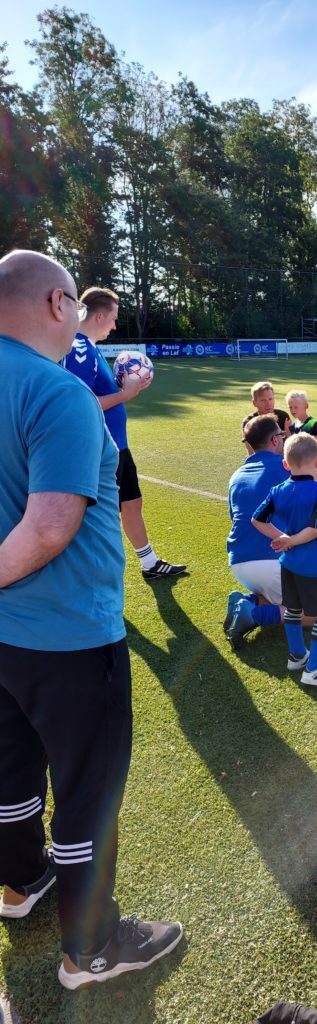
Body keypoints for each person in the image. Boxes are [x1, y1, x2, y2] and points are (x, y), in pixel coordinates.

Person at [0, 249, 182, 990]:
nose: (78, 316)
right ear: (54, 303)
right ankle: (92, 948)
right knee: (88, 791)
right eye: (75, 301)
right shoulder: (58, 391)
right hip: (69, 634)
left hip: (7, 641)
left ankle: (19, 886)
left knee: (9, 770)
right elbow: (49, 528)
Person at [63, 287, 186, 580]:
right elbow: (81, 404)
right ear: (101, 315)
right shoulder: (79, 349)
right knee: (98, 518)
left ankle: (149, 563)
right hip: (101, 448)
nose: (115, 325)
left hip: (118, 446)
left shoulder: (88, 347)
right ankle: (86, 578)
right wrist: (125, 394)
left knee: (132, 502)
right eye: (114, 318)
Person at [253, 434, 317, 689]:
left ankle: (297, 656)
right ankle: (315, 668)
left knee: (293, 609)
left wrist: (281, 538)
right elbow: (315, 531)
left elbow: (257, 519)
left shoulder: (277, 490)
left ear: (285, 464)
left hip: (288, 564)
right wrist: (291, 540)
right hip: (314, 566)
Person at [224, 413, 289, 648]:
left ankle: (248, 600)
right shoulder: (285, 468)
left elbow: (235, 518)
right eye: (281, 435)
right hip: (270, 561)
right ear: (274, 440)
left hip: (239, 563)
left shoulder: (236, 475)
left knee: (274, 596)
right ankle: (254, 615)